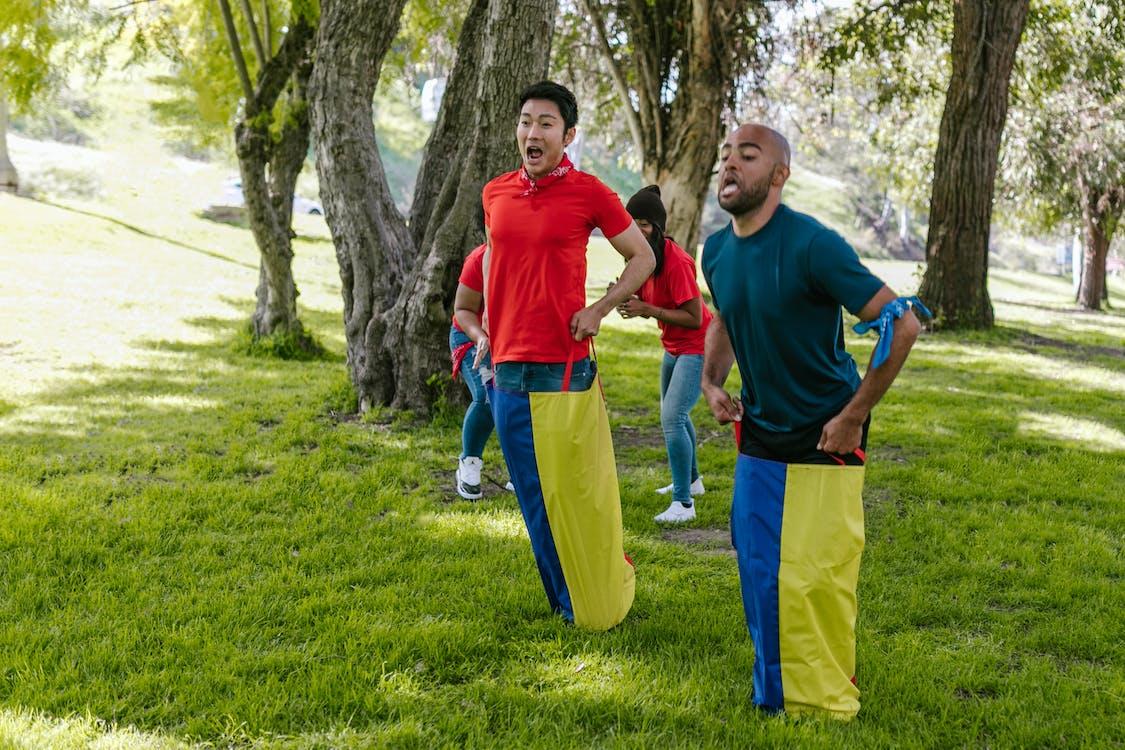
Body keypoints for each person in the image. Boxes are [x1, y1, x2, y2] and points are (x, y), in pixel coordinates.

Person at [700, 123, 927, 718]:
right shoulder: (716, 250)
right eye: (726, 155)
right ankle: (774, 695)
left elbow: (902, 323)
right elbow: (725, 315)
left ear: (779, 176)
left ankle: (822, 698)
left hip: (828, 430)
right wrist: (710, 380)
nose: (730, 165)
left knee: (815, 575)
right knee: (758, 567)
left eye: (748, 156)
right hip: (761, 428)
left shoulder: (812, 244)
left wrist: (854, 416)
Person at [456, 80, 655, 630]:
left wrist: (600, 309)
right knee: (535, 499)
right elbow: (496, 262)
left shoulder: (589, 192)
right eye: (525, 121)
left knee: (576, 494)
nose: (532, 132)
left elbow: (643, 259)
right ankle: (566, 604)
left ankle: (595, 589)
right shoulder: (495, 192)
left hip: (564, 369)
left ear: (567, 135)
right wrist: (488, 332)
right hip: (506, 373)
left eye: (545, 123)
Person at [616, 185, 712, 523]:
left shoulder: (677, 262)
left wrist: (647, 310)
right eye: (631, 222)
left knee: (672, 418)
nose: (637, 229)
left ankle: (683, 504)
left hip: (698, 345)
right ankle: (693, 481)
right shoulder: (641, 258)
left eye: (644, 223)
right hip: (674, 346)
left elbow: (694, 317)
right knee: (674, 415)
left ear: (658, 227)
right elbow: (636, 294)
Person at [448, 203, 513, 499]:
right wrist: (480, 337)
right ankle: (469, 462)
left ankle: (521, 469)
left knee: (518, 402)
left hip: (511, 339)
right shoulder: (479, 260)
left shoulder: (528, 259)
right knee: (487, 397)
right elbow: (462, 310)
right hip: (471, 335)